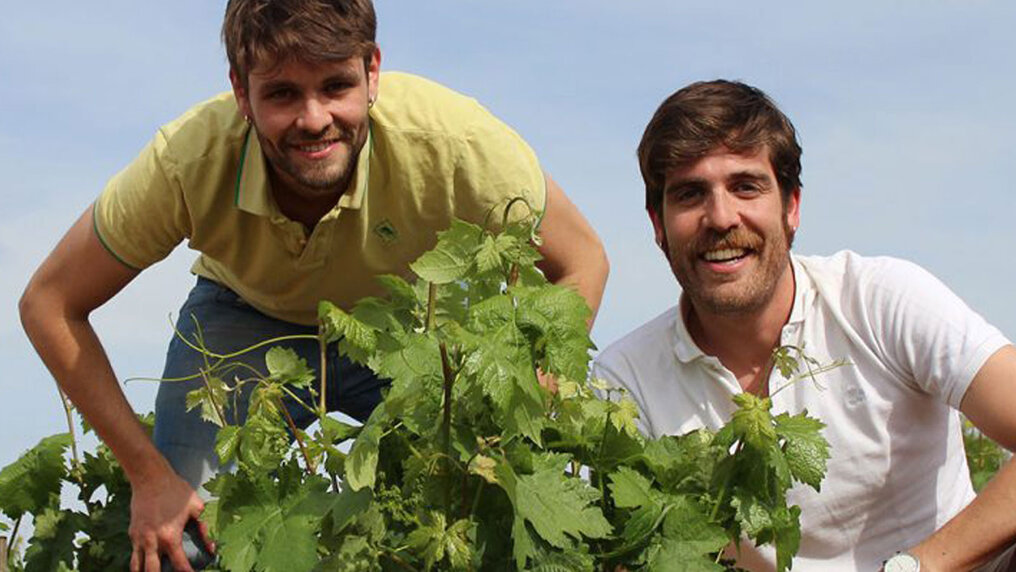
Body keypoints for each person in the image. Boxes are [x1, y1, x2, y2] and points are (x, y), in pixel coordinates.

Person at [18, 1, 609, 570]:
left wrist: (524, 402)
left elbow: (583, 260)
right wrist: (149, 477)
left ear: (372, 72)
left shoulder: (456, 144)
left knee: (467, 511)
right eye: (281, 92)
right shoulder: (186, 160)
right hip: (242, 318)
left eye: (335, 86)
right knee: (183, 540)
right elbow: (49, 303)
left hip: (400, 327)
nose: (313, 118)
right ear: (241, 92)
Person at [593, 79, 1016, 571]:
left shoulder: (881, 299)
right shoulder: (625, 382)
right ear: (658, 226)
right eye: (690, 195)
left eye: (745, 186)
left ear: (791, 207)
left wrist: (913, 568)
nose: (720, 216)